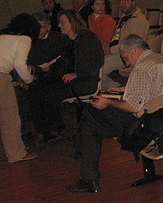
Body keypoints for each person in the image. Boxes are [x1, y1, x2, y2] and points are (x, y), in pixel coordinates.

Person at [66, 35, 163, 193]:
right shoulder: (161, 60)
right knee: (93, 113)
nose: (127, 63)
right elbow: (152, 89)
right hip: (158, 118)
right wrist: (123, 89)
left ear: (135, 50)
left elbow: (132, 106)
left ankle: (89, 178)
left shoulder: (142, 68)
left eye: (126, 58)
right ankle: (81, 151)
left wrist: (109, 102)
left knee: (91, 113)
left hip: (140, 125)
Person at [29, 10, 103, 143]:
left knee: (50, 93)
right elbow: (61, 63)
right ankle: (48, 128)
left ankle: (53, 129)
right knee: (37, 88)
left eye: (63, 22)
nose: (59, 25)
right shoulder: (67, 41)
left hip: (85, 81)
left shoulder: (87, 38)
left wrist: (77, 74)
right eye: (59, 22)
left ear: (73, 22)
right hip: (72, 79)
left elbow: (97, 62)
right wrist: (41, 75)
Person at [0, 13, 40, 163]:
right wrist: (29, 80)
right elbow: (19, 64)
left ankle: (18, 147)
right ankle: (16, 154)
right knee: (10, 118)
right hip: (1, 76)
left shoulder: (2, 37)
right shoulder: (24, 39)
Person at [102, 0, 149, 89]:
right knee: (98, 63)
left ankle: (113, 91)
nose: (123, 4)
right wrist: (108, 45)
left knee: (102, 67)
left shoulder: (139, 20)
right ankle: (114, 89)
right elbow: (117, 37)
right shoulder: (124, 17)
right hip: (118, 51)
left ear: (134, 3)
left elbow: (132, 45)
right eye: (121, 1)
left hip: (129, 55)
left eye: (126, 1)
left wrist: (110, 50)